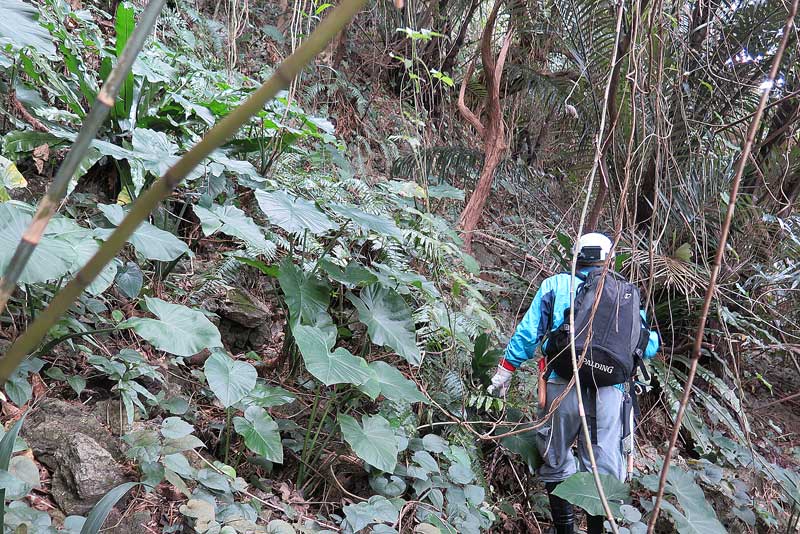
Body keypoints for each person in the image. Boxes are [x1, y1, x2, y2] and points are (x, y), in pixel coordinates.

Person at [487, 232, 659, 534]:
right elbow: (649, 345)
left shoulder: (555, 286)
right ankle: (596, 530)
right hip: (610, 392)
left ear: (575, 258)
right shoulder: (625, 294)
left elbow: (529, 334)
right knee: (604, 465)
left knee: (556, 454)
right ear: (611, 260)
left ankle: (564, 530)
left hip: (561, 384)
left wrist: (506, 370)